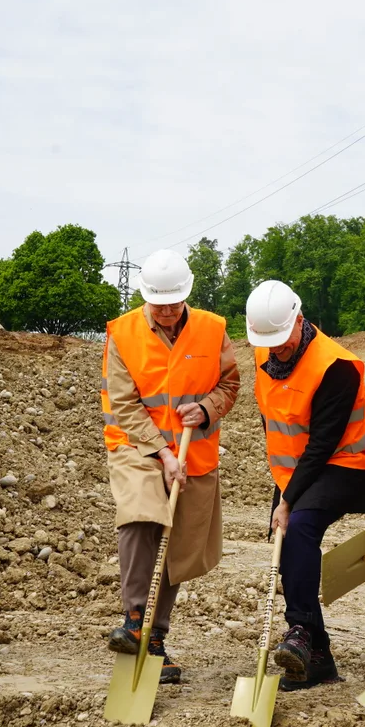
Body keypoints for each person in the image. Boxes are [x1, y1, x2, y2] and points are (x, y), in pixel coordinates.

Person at [101, 248, 240, 684]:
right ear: (145, 296)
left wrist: (207, 407)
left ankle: (155, 639)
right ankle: (134, 619)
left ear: (186, 296)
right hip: (136, 446)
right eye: (157, 302)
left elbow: (231, 383)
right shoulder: (122, 333)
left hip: (193, 452)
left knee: (178, 547)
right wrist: (161, 452)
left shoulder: (213, 329)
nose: (164, 310)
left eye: (173, 302)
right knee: (141, 517)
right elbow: (122, 403)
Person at [245, 280, 365, 689]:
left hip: (347, 462)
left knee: (300, 526)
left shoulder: (335, 365)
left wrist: (288, 500)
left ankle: (300, 630)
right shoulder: (265, 350)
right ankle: (318, 655)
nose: (276, 349)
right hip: (294, 467)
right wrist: (283, 485)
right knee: (285, 541)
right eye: (267, 342)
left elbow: (324, 442)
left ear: (299, 320)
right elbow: (272, 414)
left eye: (282, 339)